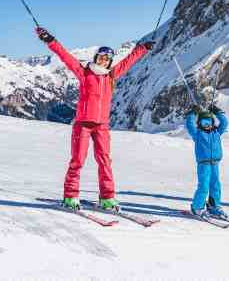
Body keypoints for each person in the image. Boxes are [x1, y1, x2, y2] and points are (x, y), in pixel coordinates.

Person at [35, 27, 153, 211]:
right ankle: (70, 196)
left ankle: (107, 197)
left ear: (109, 62)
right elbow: (65, 56)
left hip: (102, 126)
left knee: (105, 161)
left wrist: (143, 48)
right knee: (78, 160)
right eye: (101, 57)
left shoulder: (111, 76)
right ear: (96, 57)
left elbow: (129, 61)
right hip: (82, 124)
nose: (103, 60)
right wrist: (49, 40)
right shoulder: (84, 73)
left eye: (107, 59)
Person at [185, 104, 229, 217]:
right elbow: (189, 125)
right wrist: (192, 113)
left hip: (215, 163)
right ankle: (197, 207)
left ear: (213, 123)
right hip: (203, 164)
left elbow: (225, 123)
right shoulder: (198, 134)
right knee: (204, 186)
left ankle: (214, 206)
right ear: (199, 123)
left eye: (209, 122)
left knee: (215, 185)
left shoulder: (217, 132)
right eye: (204, 123)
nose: (207, 125)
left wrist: (217, 112)